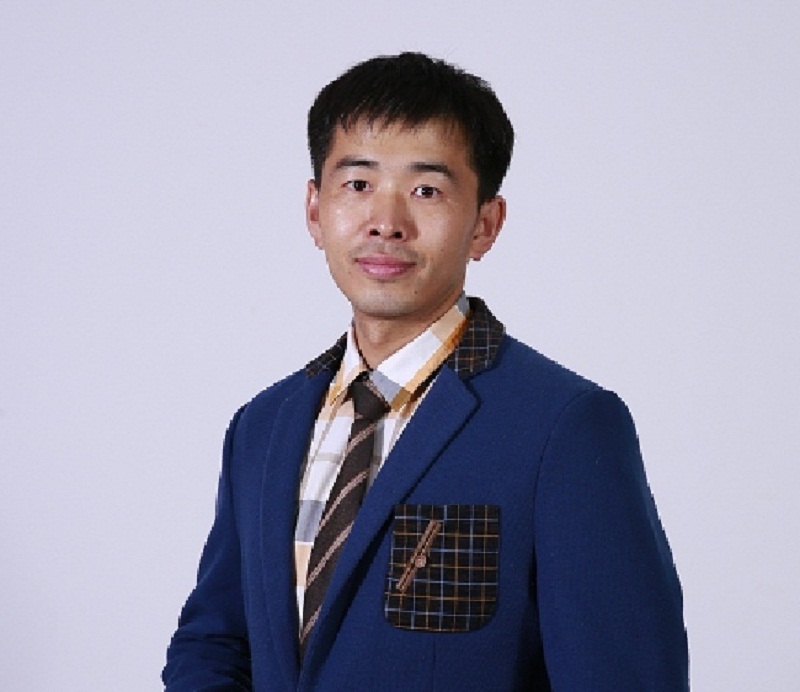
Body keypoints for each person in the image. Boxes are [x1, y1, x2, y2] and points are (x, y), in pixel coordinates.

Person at [163, 52, 688, 691]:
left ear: (485, 225)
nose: (386, 223)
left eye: (426, 191)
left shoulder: (565, 428)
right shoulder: (262, 426)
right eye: (358, 184)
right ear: (314, 210)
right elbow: (216, 642)